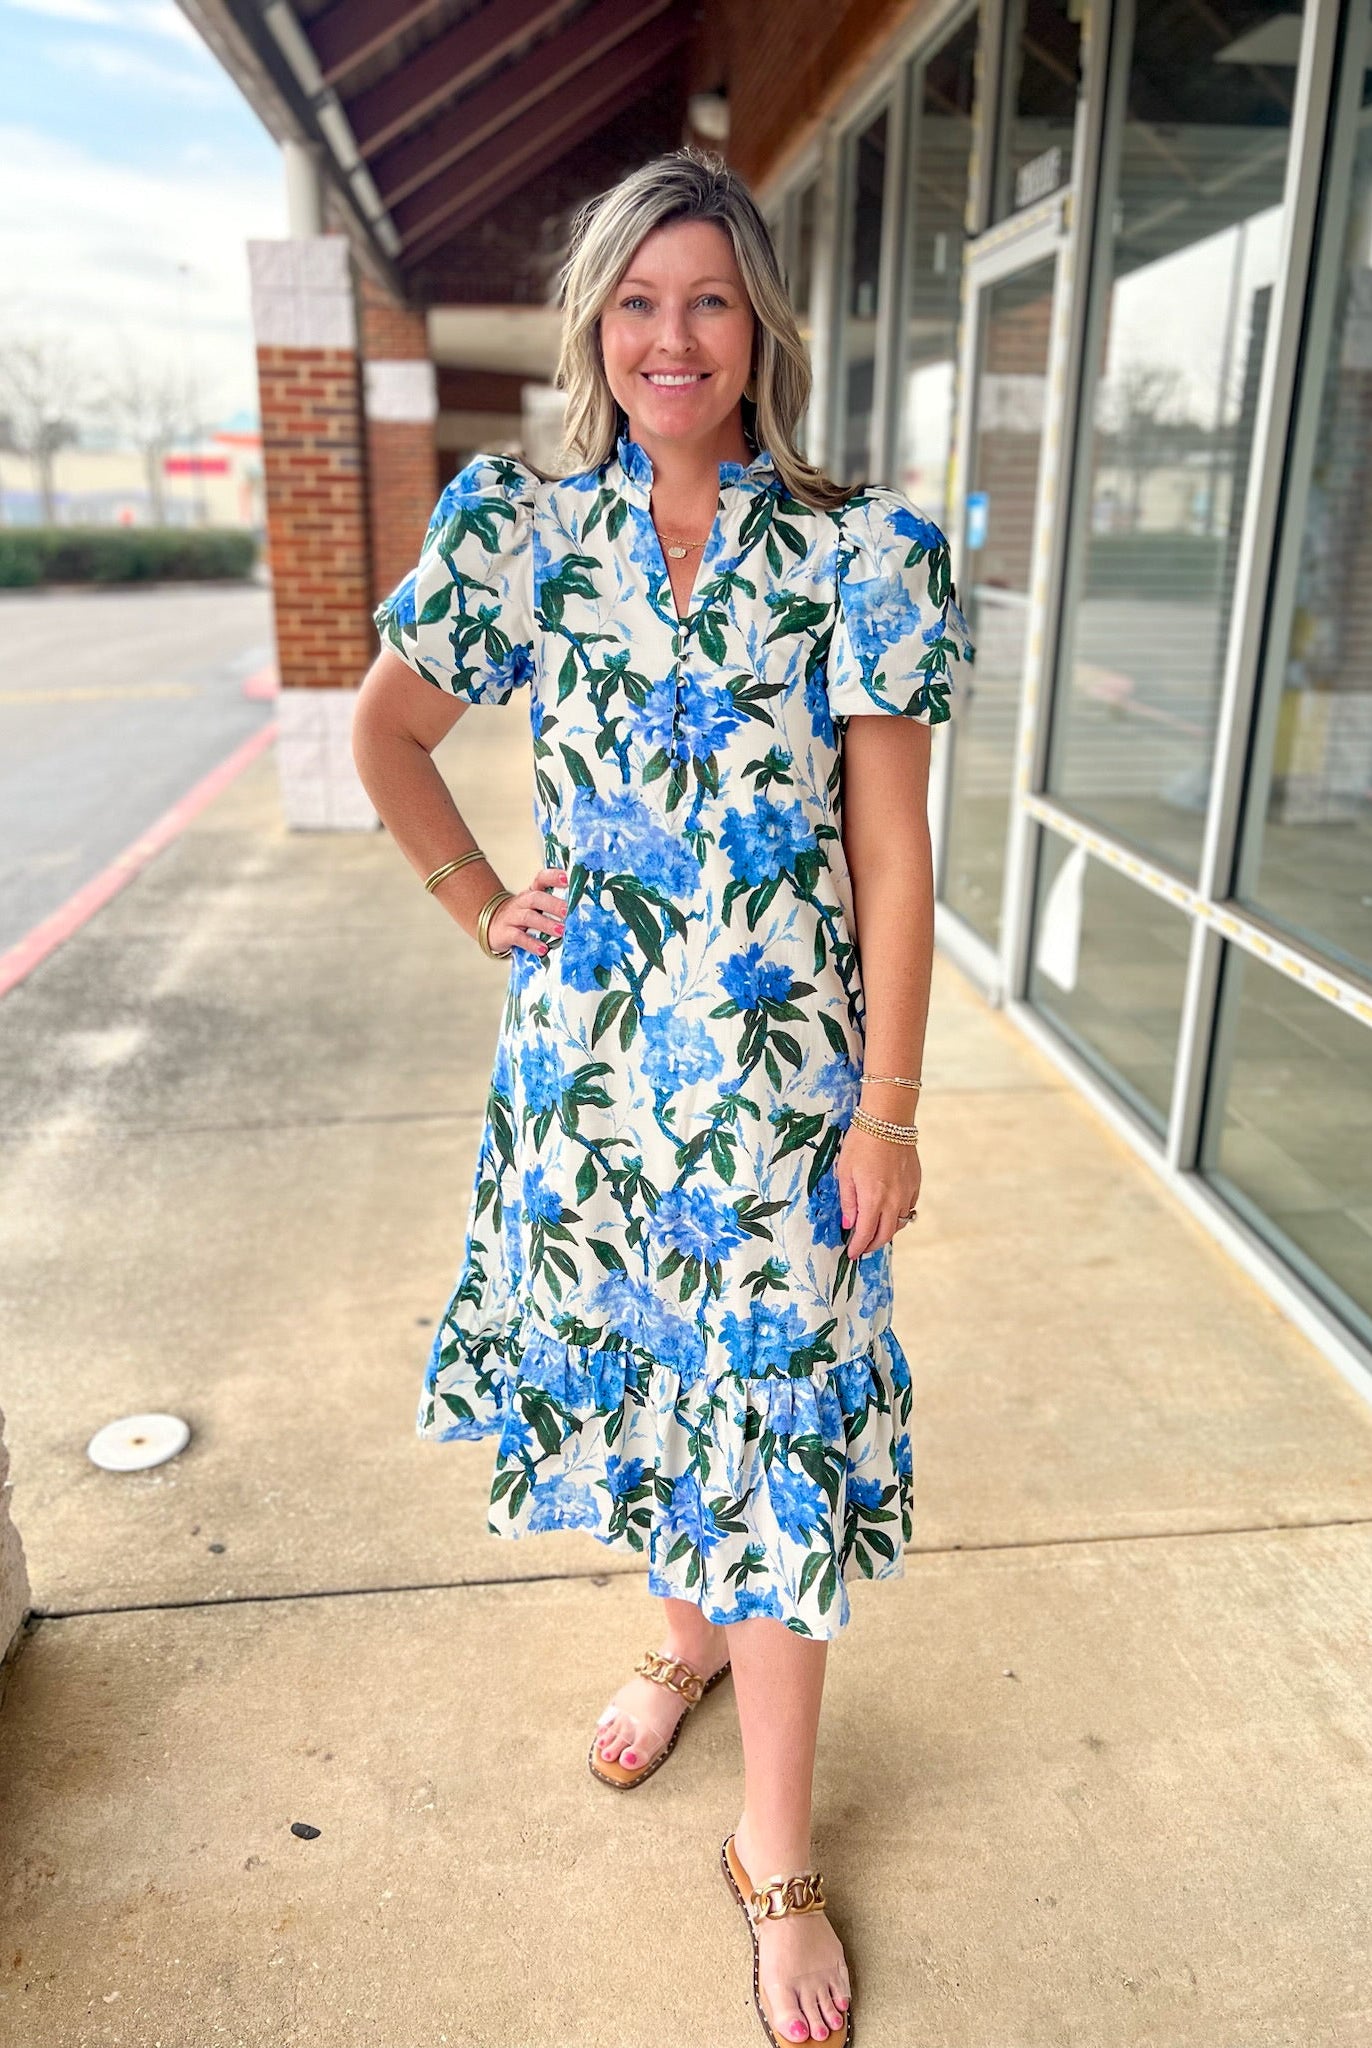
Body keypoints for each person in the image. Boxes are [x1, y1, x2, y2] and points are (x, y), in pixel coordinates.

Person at [352, 145, 972, 2048]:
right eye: (637, 302)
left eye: (706, 298)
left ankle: (772, 1861)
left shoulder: (862, 553)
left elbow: (893, 859)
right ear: (594, 329)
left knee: (771, 1442)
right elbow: (384, 735)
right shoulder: (520, 533)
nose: (671, 336)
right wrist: (483, 903)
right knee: (660, 1403)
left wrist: (889, 1107)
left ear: (759, 321)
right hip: (598, 1100)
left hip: (788, 1109)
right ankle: (683, 1643)